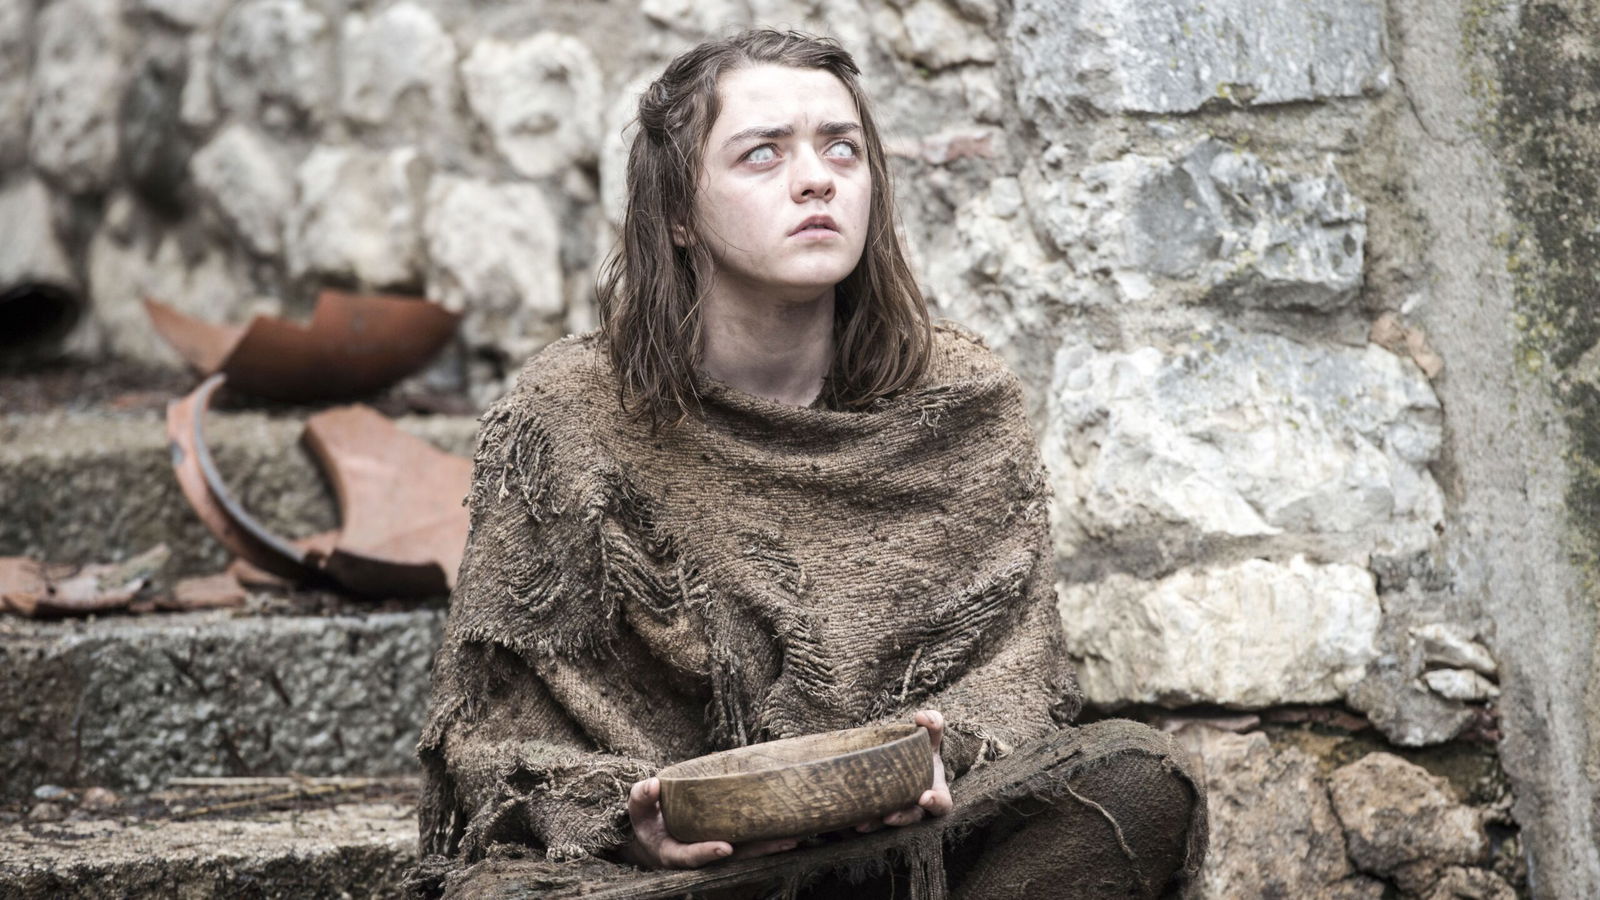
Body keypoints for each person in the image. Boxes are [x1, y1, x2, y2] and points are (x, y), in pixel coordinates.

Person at [416, 28, 1206, 899]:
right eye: (763, 155)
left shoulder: (961, 402)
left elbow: (1019, 677)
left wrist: (947, 752)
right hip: (699, 880)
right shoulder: (570, 415)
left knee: (1134, 777)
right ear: (677, 212)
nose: (817, 178)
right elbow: (498, 738)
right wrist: (623, 822)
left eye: (843, 148)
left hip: (920, 851)